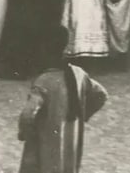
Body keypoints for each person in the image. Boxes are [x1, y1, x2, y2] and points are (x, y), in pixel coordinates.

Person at [17, 25, 108, 173]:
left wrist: (24, 132)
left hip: (45, 140)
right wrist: (82, 116)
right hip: (71, 139)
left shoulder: (44, 81)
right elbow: (101, 95)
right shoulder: (78, 74)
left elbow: (28, 114)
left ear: (44, 50)